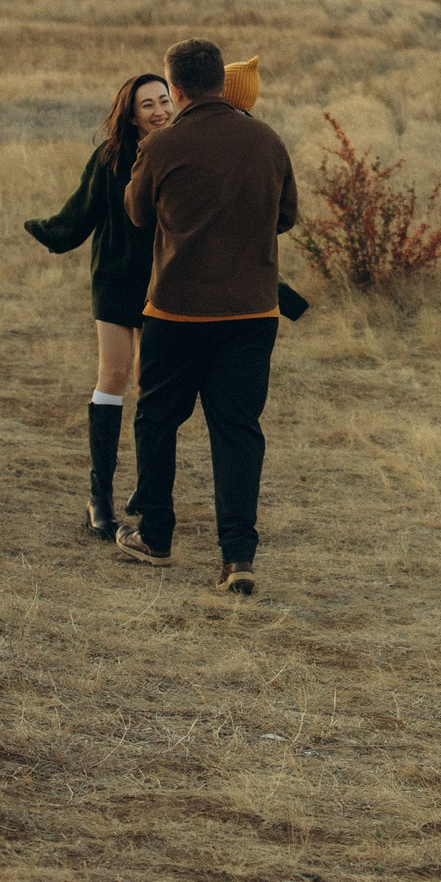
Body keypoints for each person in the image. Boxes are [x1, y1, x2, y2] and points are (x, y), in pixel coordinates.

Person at [118, 38, 298, 592]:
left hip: (178, 311)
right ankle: (238, 558)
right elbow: (286, 217)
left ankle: (156, 535)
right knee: (238, 431)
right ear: (221, 80)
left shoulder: (165, 146)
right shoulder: (268, 141)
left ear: (175, 88)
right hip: (252, 314)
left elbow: (137, 213)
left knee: (156, 420)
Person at [24, 73, 173, 539]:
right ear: (130, 114)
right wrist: (47, 231)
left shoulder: (183, 154)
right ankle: (100, 496)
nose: (158, 111)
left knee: (153, 386)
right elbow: (80, 213)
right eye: (146, 104)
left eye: (164, 100)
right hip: (113, 280)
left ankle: (149, 494)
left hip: (164, 286)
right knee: (112, 377)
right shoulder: (109, 159)